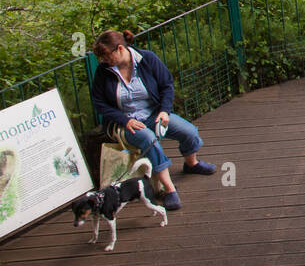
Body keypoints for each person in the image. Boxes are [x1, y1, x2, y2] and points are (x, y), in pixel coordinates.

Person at [89, 29, 216, 211]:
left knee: (189, 132)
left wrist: (164, 111)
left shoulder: (147, 59)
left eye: (107, 56)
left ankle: (191, 164)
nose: (103, 61)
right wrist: (124, 120)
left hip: (153, 114)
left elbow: (166, 85)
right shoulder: (104, 71)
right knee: (149, 140)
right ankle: (169, 190)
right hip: (125, 123)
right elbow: (99, 103)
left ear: (119, 49)